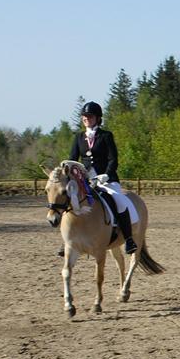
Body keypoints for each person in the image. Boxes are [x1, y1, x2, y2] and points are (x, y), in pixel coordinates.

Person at [70, 101, 137, 254]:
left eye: (90, 116)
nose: (86, 118)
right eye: (84, 116)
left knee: (119, 200)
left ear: (97, 118)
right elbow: (73, 160)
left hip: (106, 180)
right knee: (70, 201)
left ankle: (129, 239)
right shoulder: (78, 137)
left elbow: (113, 158)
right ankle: (69, 240)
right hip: (86, 181)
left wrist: (106, 174)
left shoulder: (106, 136)